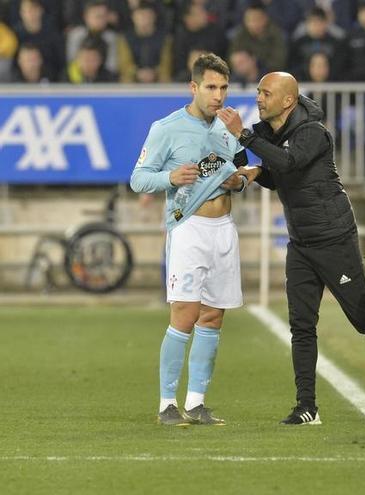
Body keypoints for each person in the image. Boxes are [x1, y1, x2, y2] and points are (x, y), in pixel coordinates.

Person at [216, 72, 365, 427]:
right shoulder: (269, 131)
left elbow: (288, 163)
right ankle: (306, 405)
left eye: (266, 93)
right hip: (301, 243)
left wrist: (244, 136)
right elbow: (275, 173)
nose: (259, 99)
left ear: (287, 101)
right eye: (259, 92)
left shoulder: (314, 132)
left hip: (334, 239)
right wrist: (248, 170)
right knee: (301, 325)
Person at [130, 53, 250, 427]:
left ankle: (197, 403)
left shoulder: (229, 126)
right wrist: (170, 179)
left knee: (213, 315)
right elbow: (138, 178)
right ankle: (167, 403)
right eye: (211, 87)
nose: (218, 95)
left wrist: (240, 181)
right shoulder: (166, 128)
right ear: (194, 87)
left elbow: (243, 167)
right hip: (189, 228)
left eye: (224, 88)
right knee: (185, 313)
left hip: (224, 228)